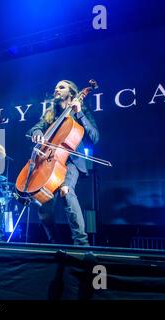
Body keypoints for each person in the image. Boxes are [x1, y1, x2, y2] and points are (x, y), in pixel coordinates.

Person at [29, 80, 99, 246]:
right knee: (44, 205)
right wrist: (38, 133)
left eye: (61, 87)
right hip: (51, 161)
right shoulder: (50, 113)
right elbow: (34, 128)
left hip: (71, 161)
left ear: (72, 93)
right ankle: (54, 244)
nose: (56, 89)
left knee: (66, 191)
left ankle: (81, 243)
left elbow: (94, 137)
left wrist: (80, 113)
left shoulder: (81, 111)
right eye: (56, 87)